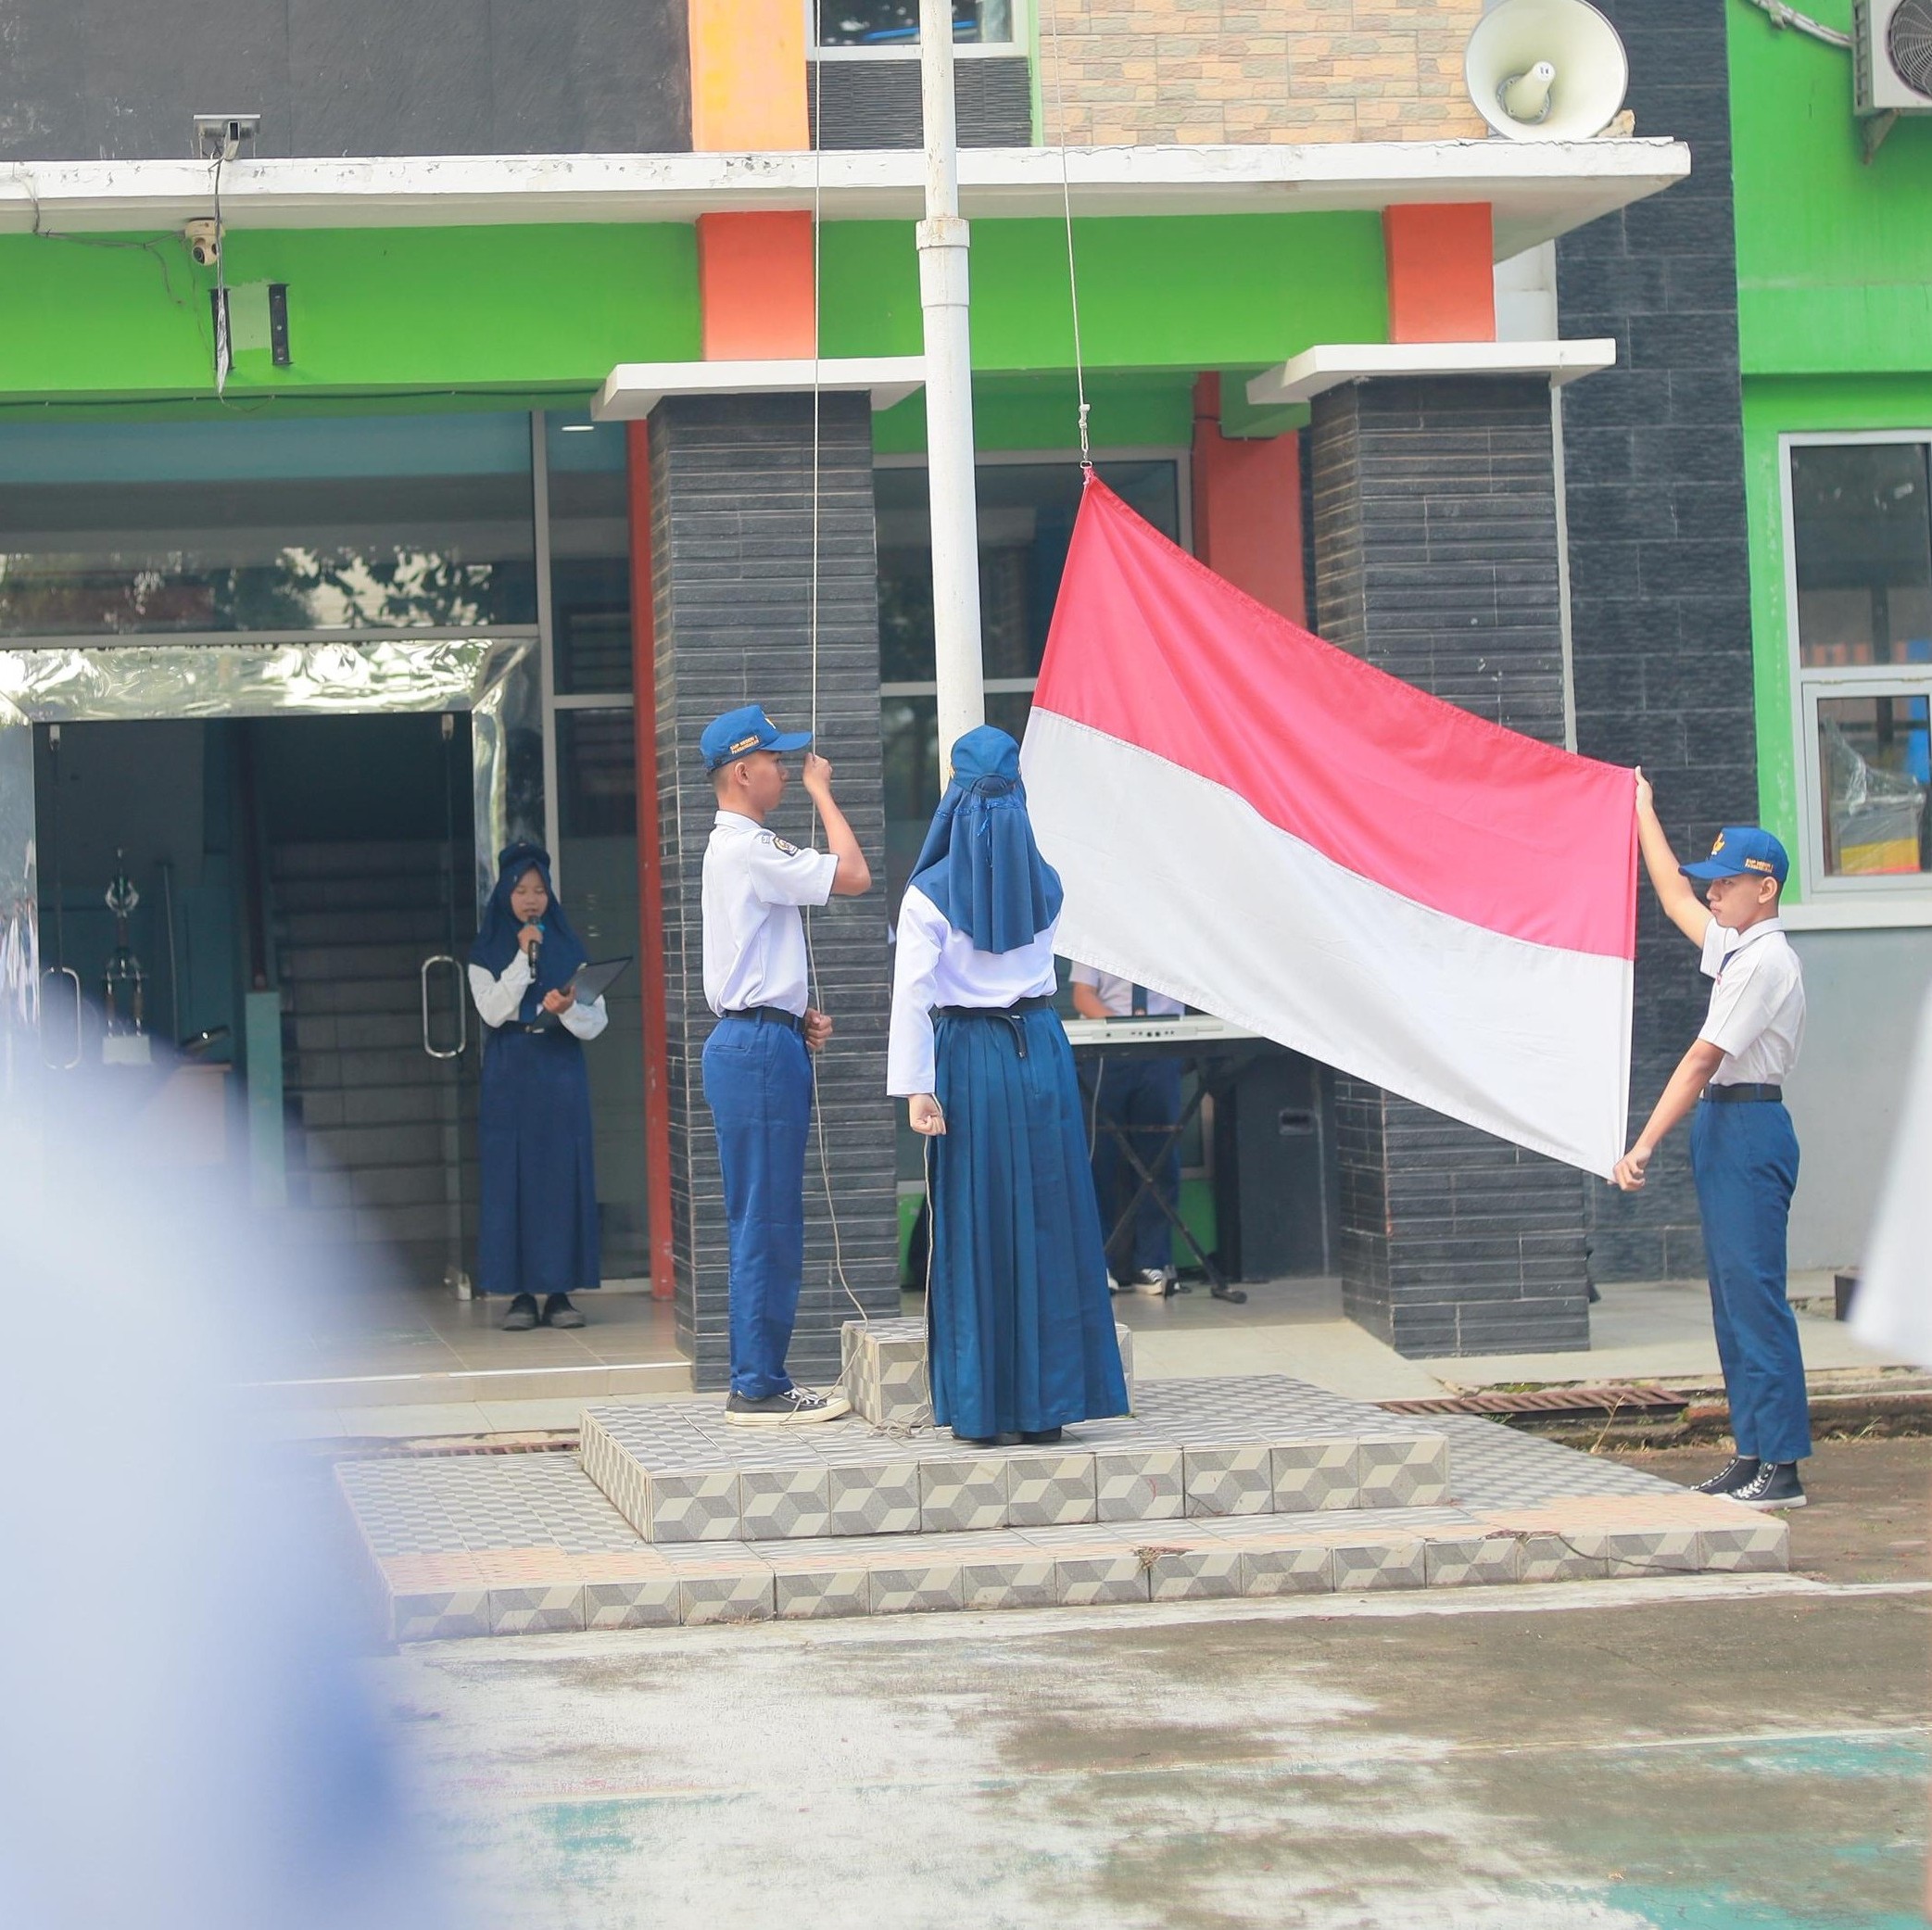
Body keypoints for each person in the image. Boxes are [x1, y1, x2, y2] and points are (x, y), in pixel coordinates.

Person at [889, 725, 1130, 1447]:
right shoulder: (1046, 883)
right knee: (1049, 1221)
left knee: (975, 1223)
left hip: (969, 1056)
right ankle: (1047, 1405)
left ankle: (981, 1408)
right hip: (1042, 1052)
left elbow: (912, 995)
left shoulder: (928, 895)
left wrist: (916, 1087)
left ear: (954, 795)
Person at [1612, 776, 1810, 1509]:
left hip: (1749, 1125)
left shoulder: (1763, 961)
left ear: (1765, 888)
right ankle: (1751, 1452)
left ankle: (1781, 1466)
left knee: (1754, 1299)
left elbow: (1701, 1058)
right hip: (1724, 1124)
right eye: (1712, 881)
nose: (1711, 893)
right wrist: (1642, 808)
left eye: (1725, 883)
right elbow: (1671, 895)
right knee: (1731, 1302)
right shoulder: (1736, 946)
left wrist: (1642, 1143)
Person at [701, 702, 872, 1424]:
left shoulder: (733, 847)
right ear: (743, 771)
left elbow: (752, 955)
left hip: (759, 1040)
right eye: (774, 759)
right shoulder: (749, 847)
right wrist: (822, 792)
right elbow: (854, 874)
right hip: (757, 1051)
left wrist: (792, 1014)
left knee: (761, 1216)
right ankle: (757, 1383)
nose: (785, 768)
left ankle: (758, 1377)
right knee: (766, 1221)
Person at [469, 842, 610, 1331]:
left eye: (539, 890)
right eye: (521, 890)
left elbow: (597, 1022)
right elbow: (492, 1011)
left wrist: (567, 1010)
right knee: (512, 1176)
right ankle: (521, 1295)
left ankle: (561, 1293)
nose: (531, 899)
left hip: (560, 1071)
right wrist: (521, 958)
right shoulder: (486, 950)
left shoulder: (570, 949)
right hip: (510, 1072)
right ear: (505, 895)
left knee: (560, 1175)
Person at [1070, 963, 1184, 1295]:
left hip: (1163, 1045)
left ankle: (1152, 1262)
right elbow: (1082, 995)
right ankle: (1099, 1263)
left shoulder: (1179, 939)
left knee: (1159, 1158)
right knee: (1099, 1159)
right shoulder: (1095, 938)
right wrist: (1124, 1029)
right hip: (1108, 1047)